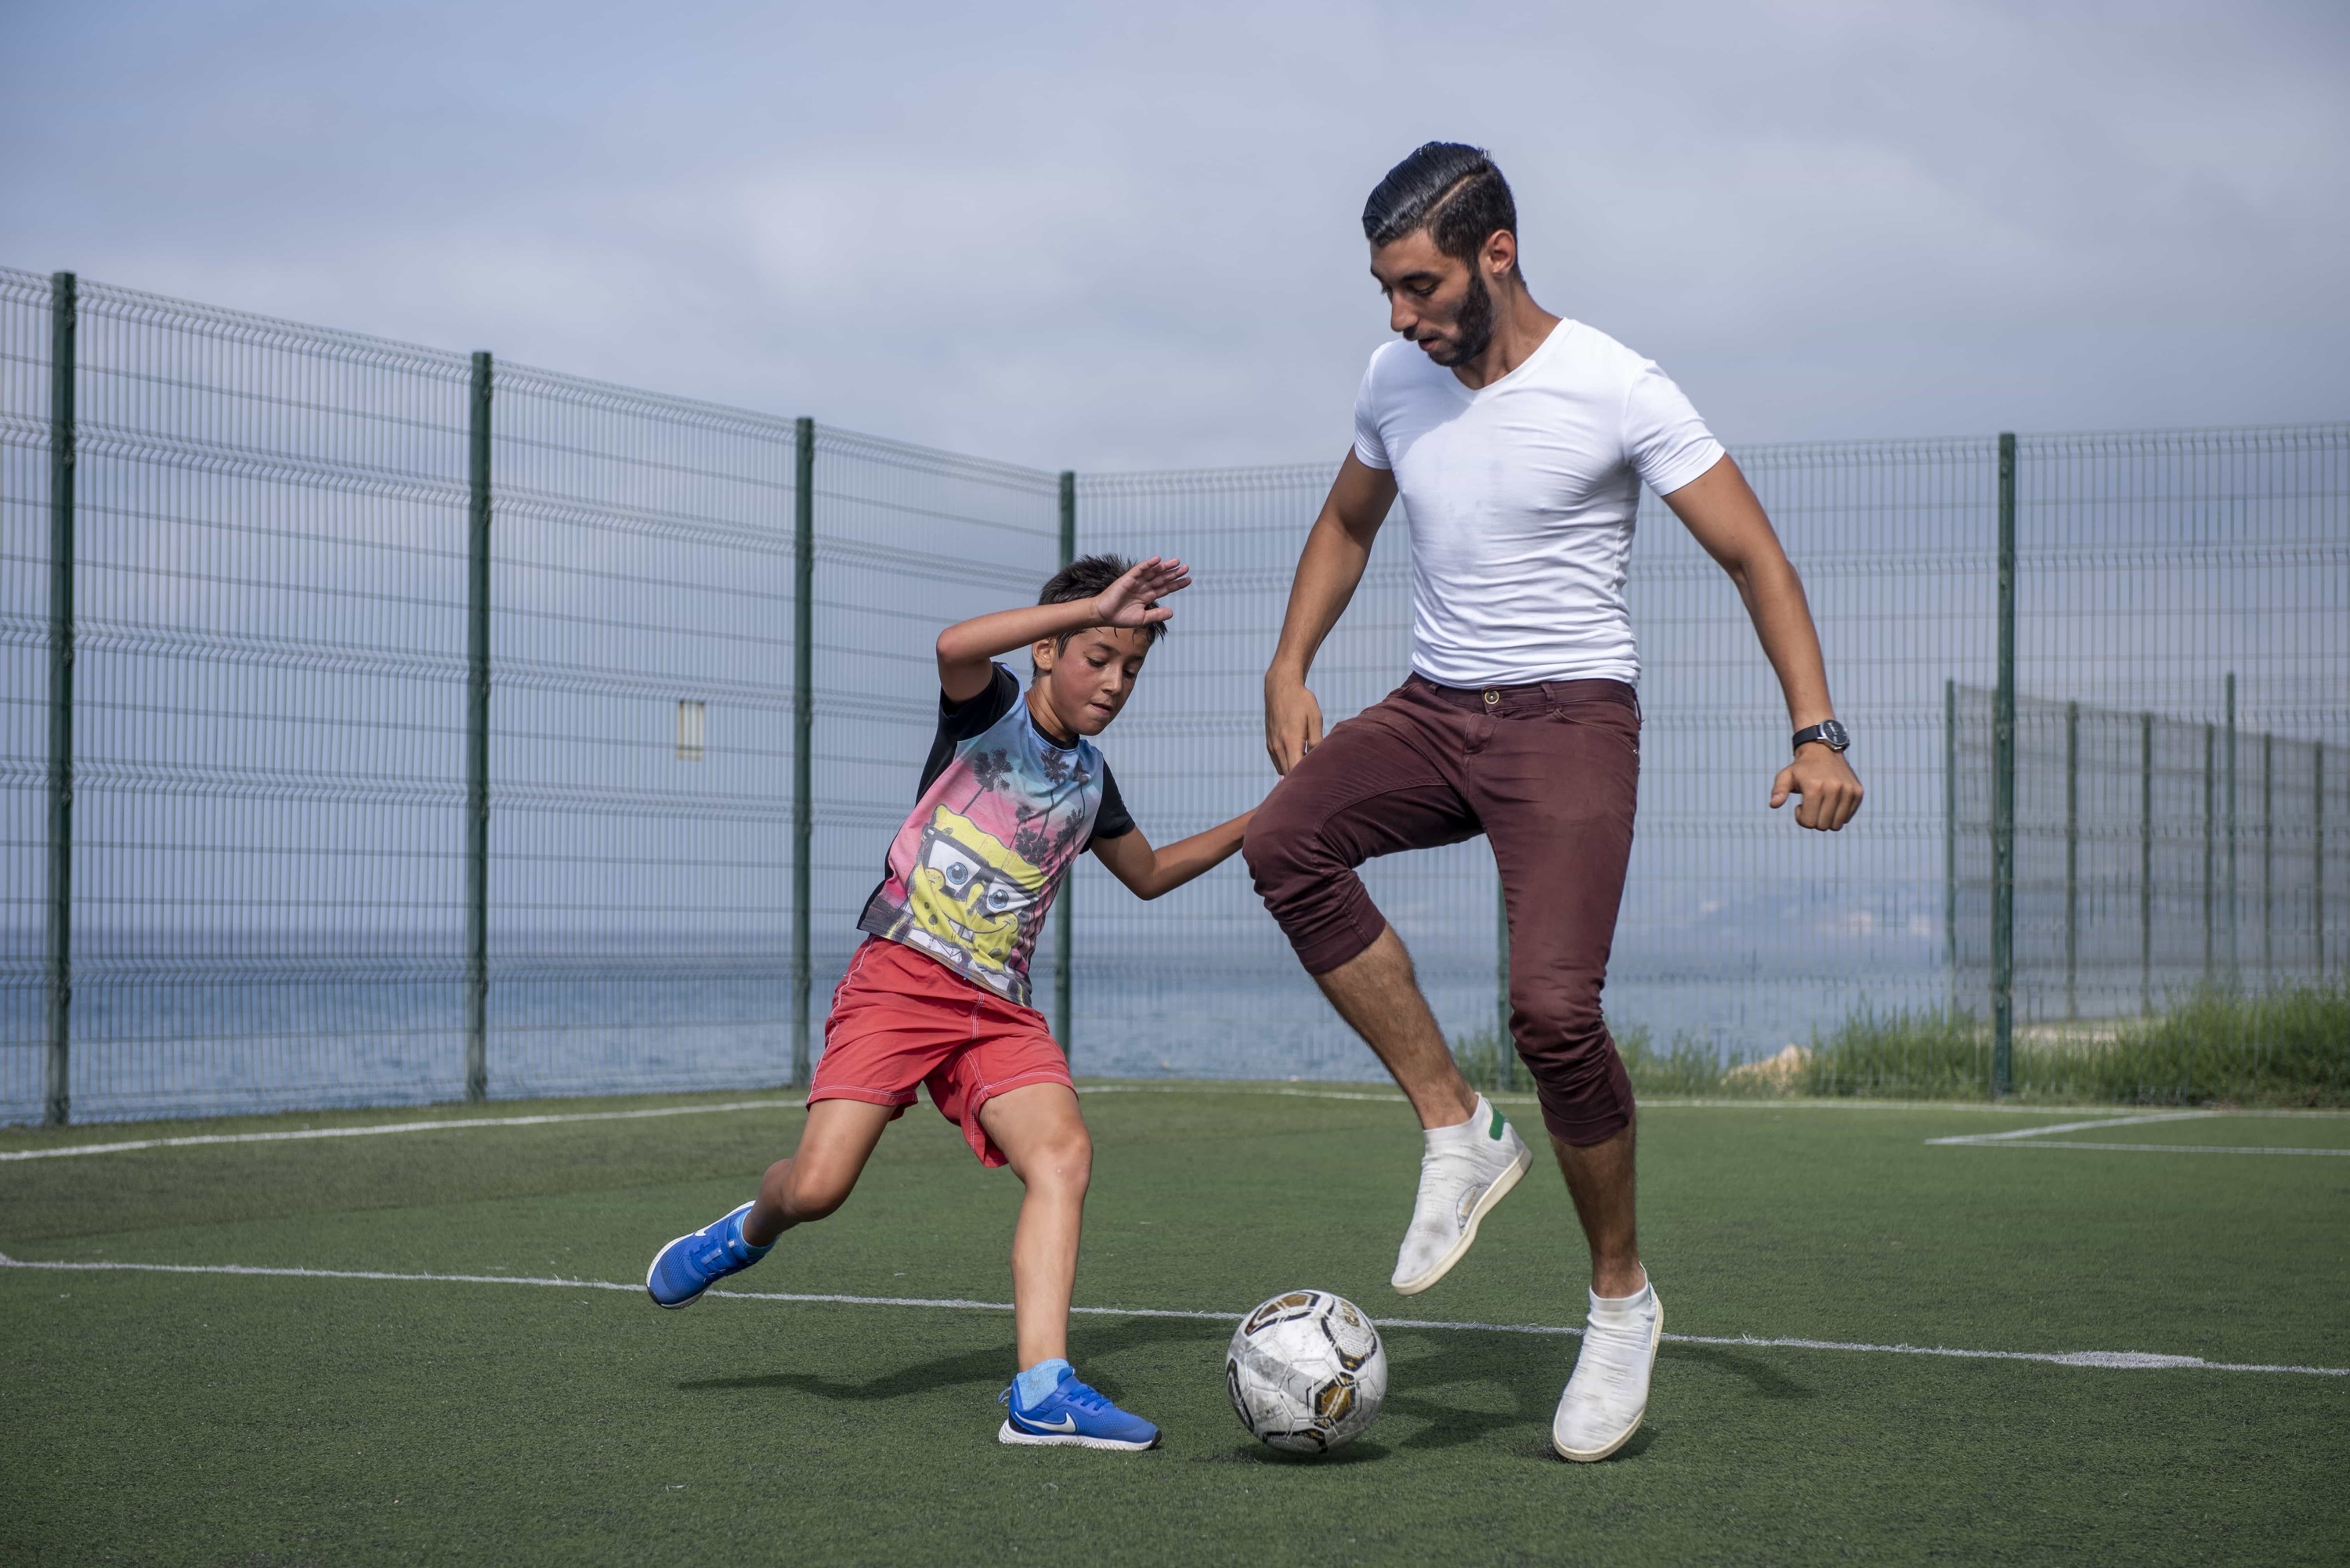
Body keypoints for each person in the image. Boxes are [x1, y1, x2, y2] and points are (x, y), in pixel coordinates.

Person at [1245, 143, 1864, 1462]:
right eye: (1384, 290)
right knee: (1287, 837)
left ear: (1498, 254)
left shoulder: (1617, 384)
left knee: (1554, 1013)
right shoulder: (1393, 380)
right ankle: (1456, 1125)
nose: (1400, 316)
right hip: (1432, 708)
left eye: (1418, 286)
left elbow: (1752, 552)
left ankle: (1621, 1299)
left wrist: (1816, 732)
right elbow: (1348, 522)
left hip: (1570, 722)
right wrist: (1290, 661)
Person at [647, 553, 1256, 1453]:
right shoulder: (990, 707)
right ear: (1048, 649)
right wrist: (1091, 605)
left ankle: (1041, 1391)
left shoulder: (1092, 779)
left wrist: (1264, 819)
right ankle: (750, 1227)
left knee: (1063, 1155)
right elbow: (953, 645)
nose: (1114, 682)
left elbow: (1152, 872)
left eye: (1131, 668)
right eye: (1097, 657)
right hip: (902, 975)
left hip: (998, 1008)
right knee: (818, 1187)